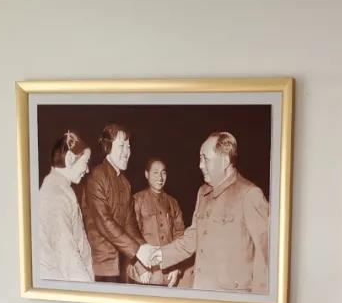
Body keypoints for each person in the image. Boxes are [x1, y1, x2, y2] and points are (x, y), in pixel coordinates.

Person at [155, 132, 270, 294]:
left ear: (225, 161)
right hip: (202, 292)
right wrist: (160, 254)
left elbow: (267, 256)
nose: (200, 165)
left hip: (233, 298)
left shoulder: (250, 194)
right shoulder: (203, 193)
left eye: (205, 159)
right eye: (200, 159)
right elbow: (193, 236)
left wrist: (259, 302)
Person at [82, 124, 156, 283]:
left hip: (120, 266)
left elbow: (130, 225)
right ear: (107, 147)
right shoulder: (96, 177)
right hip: (99, 267)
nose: (127, 152)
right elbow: (105, 223)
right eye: (122, 146)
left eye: (129, 147)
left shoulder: (125, 184)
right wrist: (138, 251)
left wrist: (143, 252)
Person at [35, 131, 94, 283]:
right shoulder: (55, 195)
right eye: (85, 162)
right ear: (69, 159)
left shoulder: (58, 188)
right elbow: (66, 255)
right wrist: (88, 290)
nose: (87, 169)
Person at [133, 158, 187, 286]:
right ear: (146, 174)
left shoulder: (173, 203)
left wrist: (176, 266)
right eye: (155, 172)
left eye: (163, 173)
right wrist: (140, 268)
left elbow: (180, 235)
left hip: (168, 274)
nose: (160, 177)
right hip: (145, 274)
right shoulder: (137, 200)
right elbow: (131, 236)